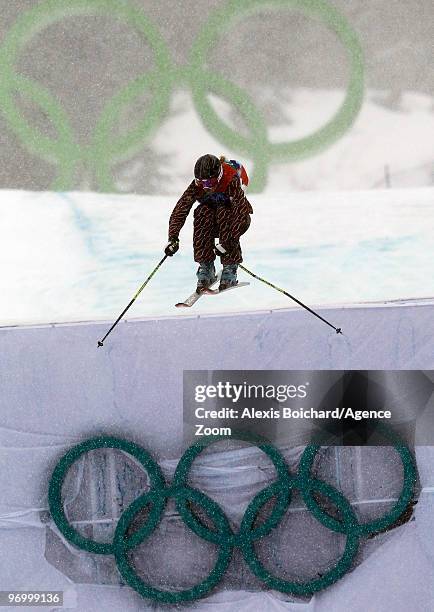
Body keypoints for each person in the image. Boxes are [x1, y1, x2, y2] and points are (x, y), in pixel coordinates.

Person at [164, 154, 253, 292]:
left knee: (225, 210)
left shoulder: (231, 180)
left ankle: (230, 267)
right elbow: (181, 208)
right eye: (201, 182)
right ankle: (206, 267)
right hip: (213, 222)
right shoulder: (197, 186)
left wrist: (227, 244)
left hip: (237, 221)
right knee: (202, 212)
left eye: (209, 183)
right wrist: (173, 237)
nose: (205, 187)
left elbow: (240, 214)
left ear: (218, 177)